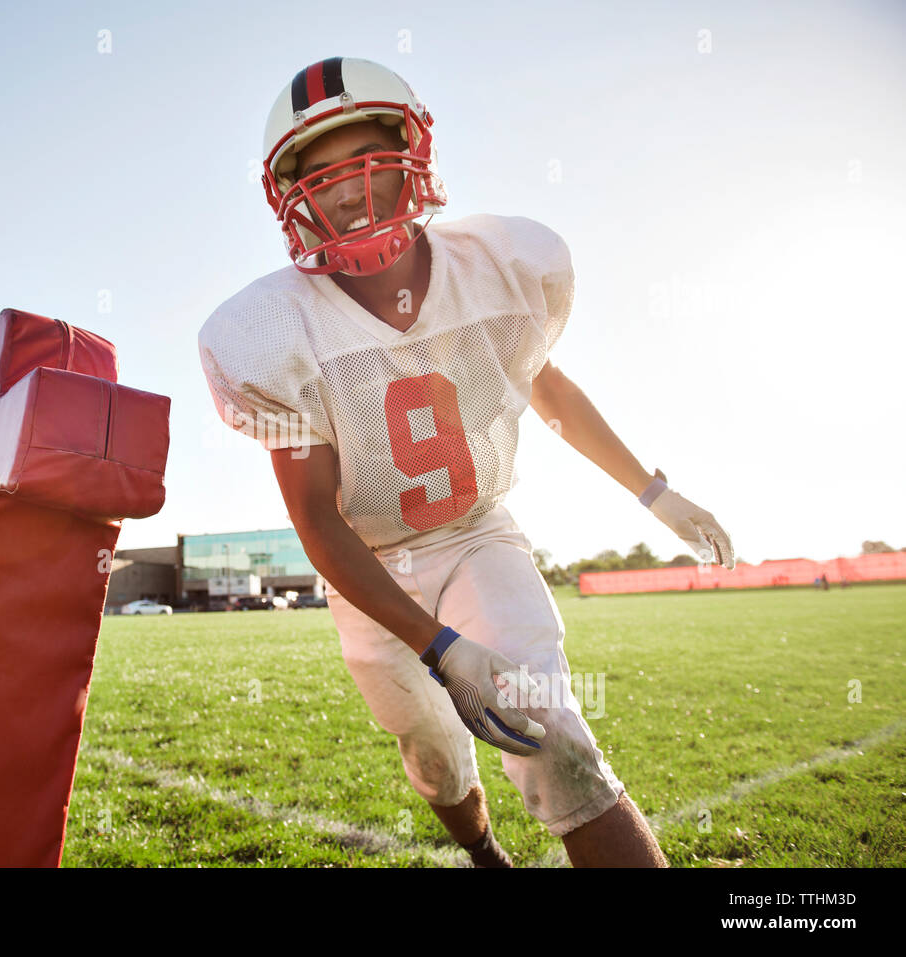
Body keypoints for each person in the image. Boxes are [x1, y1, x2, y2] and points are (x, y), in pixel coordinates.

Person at [198, 57, 736, 867]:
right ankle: (487, 856)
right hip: (370, 565)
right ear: (291, 199)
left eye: (364, 161)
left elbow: (544, 388)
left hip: (479, 532)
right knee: (439, 762)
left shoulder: (499, 265)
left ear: (413, 153)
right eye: (321, 176)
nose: (346, 192)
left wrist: (652, 491)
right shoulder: (272, 332)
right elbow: (316, 518)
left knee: (550, 731)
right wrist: (438, 646)